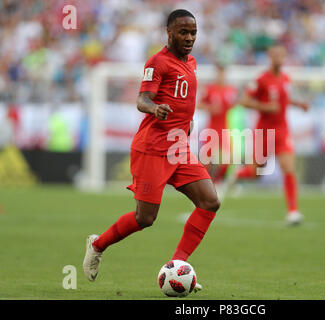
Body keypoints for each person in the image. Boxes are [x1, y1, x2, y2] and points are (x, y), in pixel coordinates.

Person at [83, 9, 220, 293]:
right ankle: (97, 245)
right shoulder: (157, 63)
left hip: (178, 148)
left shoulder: (192, 62)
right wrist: (155, 108)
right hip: (152, 148)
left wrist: (187, 122)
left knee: (209, 202)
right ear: (169, 32)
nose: (189, 38)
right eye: (183, 32)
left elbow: (182, 99)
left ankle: (178, 267)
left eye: (193, 32)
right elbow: (142, 99)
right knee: (145, 218)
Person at [235, 44, 309, 225]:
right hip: (263, 133)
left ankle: (293, 211)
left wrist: (298, 104)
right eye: (275, 55)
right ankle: (234, 176)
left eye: (282, 55)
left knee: (289, 168)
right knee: (255, 174)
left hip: (282, 131)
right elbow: (244, 101)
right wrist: (265, 107)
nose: (279, 58)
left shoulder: (285, 78)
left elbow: (284, 99)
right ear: (270, 56)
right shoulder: (261, 79)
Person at [198, 63, 238, 184]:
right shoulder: (210, 89)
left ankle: (217, 181)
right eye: (219, 73)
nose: (220, 76)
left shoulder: (231, 90)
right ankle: (204, 185)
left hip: (224, 128)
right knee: (206, 161)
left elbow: (234, 104)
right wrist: (210, 108)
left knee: (227, 160)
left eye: (222, 73)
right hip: (211, 128)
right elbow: (199, 105)